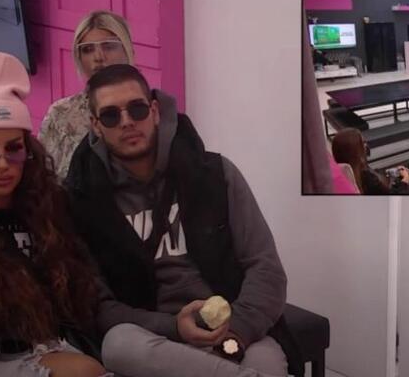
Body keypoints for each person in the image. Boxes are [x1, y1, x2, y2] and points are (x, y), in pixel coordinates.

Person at [65, 64, 293, 377]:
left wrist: (235, 332)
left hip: (235, 328)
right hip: (154, 338)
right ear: (96, 126)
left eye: (137, 109)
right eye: (111, 116)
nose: (127, 122)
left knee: (266, 363)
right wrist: (174, 327)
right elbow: (99, 308)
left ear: (154, 111)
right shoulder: (83, 202)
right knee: (119, 343)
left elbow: (266, 268)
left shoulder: (216, 174)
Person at [0, 52, 109, 377]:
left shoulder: (48, 205)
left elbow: (81, 296)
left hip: (54, 346)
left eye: (13, 148)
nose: (1, 163)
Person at [39, 10, 135, 178]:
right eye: (88, 49)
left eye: (108, 46)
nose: (98, 57)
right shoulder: (61, 113)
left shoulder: (148, 111)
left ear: (129, 51)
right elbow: (41, 176)